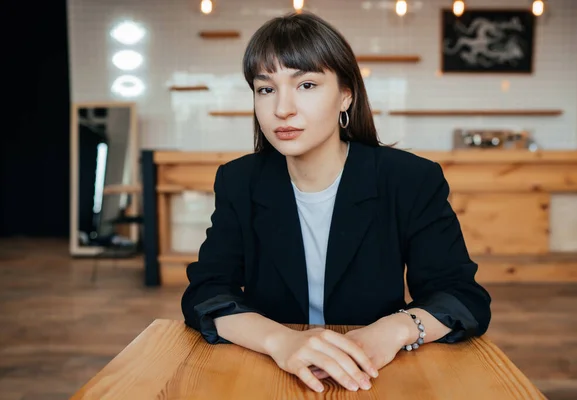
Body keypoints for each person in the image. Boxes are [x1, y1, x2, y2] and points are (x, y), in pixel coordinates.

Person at [181, 11, 491, 394]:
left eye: (306, 85)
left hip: (376, 373)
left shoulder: (410, 178)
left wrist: (391, 331)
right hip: (270, 371)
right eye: (266, 89)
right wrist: (282, 341)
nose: (282, 108)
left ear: (346, 94)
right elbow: (206, 293)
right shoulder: (239, 181)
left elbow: (461, 296)